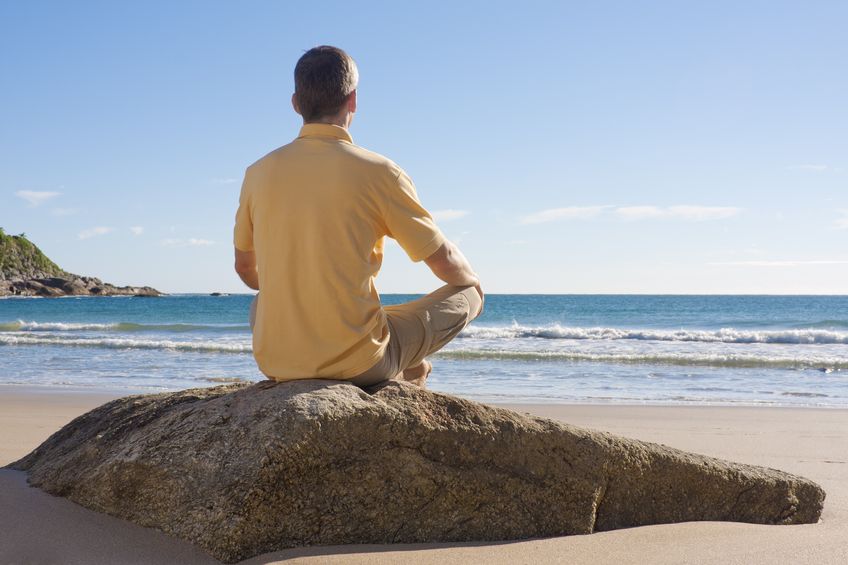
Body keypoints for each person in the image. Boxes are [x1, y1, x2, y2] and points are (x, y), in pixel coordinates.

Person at [233, 45, 483, 388]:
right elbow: (445, 262)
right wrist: (473, 281)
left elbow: (246, 270)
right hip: (358, 362)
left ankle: (412, 365)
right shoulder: (380, 173)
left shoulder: (257, 173)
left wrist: (299, 287)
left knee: (264, 300)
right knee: (470, 293)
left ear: (295, 103)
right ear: (353, 100)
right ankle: (410, 371)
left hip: (278, 361)